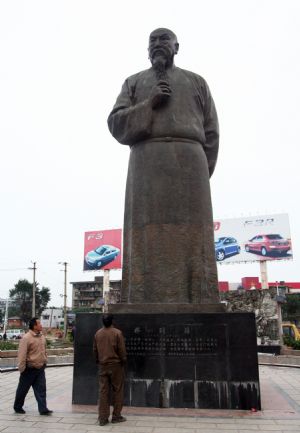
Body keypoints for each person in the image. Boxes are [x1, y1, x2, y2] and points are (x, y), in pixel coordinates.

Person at [108, 28, 220, 305]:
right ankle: (140, 300)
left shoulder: (197, 82)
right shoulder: (133, 82)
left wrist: (202, 173)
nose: (157, 44)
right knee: (144, 238)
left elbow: (212, 132)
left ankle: (201, 300)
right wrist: (150, 103)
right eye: (152, 41)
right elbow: (116, 123)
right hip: (147, 161)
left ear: (177, 46)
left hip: (191, 162)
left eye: (163, 39)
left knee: (196, 237)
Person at [13, 317, 52, 415]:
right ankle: (17, 407)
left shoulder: (42, 336)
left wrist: (45, 361)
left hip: (40, 368)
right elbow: (22, 354)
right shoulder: (26, 338)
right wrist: (22, 369)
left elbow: (44, 350)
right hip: (29, 369)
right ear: (34, 326)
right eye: (39, 324)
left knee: (41, 390)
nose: (41, 325)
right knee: (23, 390)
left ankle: (43, 409)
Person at [93, 314, 127, 426]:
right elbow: (121, 350)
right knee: (118, 391)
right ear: (112, 321)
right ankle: (116, 416)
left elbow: (95, 350)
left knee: (103, 391)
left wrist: (98, 361)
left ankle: (103, 418)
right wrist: (123, 360)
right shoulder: (117, 333)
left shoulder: (98, 333)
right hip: (116, 365)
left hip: (103, 365)